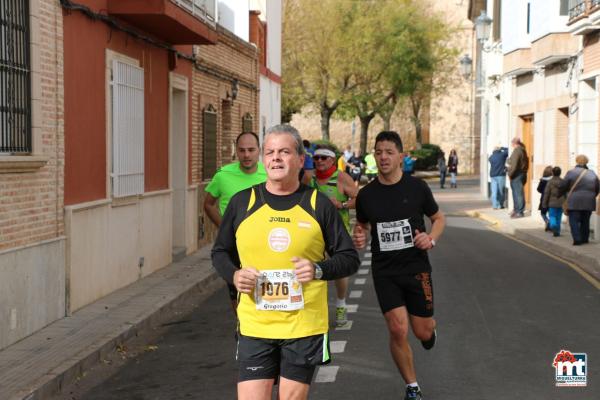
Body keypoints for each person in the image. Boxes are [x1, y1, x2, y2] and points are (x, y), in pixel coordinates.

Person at [211, 124, 360, 400]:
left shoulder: (318, 204)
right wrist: (234, 275)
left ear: (300, 160)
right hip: (256, 324)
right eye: (269, 152)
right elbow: (220, 252)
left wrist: (318, 269)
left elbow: (349, 259)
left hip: (303, 326)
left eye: (284, 151)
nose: (275, 158)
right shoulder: (243, 203)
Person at [352, 131, 445, 400]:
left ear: (401, 157)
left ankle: (430, 331)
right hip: (385, 271)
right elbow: (363, 224)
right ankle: (412, 387)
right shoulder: (366, 195)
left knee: (421, 330)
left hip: (416, 268)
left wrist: (431, 238)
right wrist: (360, 234)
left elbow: (439, 218)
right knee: (397, 328)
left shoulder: (417, 188)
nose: (383, 157)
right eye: (378, 152)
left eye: (389, 152)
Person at [204, 131, 267, 311]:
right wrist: (225, 228)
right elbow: (208, 204)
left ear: (259, 151)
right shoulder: (223, 175)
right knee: (237, 290)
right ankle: (242, 327)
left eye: (251, 150)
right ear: (236, 151)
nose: (246, 155)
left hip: (265, 242)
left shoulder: (269, 173)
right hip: (235, 245)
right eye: (242, 150)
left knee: (264, 286)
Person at [311, 144, 359, 327]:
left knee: (339, 270)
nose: (320, 161)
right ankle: (317, 308)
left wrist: (341, 205)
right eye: (316, 158)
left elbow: (358, 199)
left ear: (332, 160)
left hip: (339, 232)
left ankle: (340, 304)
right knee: (316, 269)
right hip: (314, 233)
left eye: (324, 158)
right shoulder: (310, 178)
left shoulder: (341, 177)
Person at [559, 155, 600, 245]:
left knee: (573, 220)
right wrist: (592, 196)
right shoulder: (592, 173)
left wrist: (562, 194)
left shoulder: (571, 172)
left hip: (574, 201)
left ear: (576, 161)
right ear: (586, 162)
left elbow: (563, 186)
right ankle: (585, 238)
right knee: (585, 221)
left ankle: (577, 239)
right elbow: (597, 188)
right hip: (589, 202)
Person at [506, 137, 529, 218]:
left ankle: (519, 211)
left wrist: (510, 174)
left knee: (518, 194)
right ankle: (516, 210)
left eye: (512, 143)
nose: (511, 144)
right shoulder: (522, 150)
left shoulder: (517, 151)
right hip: (520, 174)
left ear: (514, 143)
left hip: (517, 174)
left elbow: (514, 165)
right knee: (516, 193)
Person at [542, 166, 565, 237]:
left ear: (552, 173)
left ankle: (553, 226)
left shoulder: (550, 182)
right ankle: (557, 231)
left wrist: (544, 203)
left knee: (552, 216)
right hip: (561, 203)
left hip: (552, 203)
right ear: (560, 173)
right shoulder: (563, 182)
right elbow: (566, 192)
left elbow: (546, 193)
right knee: (559, 217)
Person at [537, 166, 553, 230]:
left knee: (543, 213)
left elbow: (538, 189)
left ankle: (547, 221)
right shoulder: (553, 180)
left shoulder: (543, 180)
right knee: (551, 213)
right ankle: (550, 224)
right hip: (552, 199)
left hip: (544, 199)